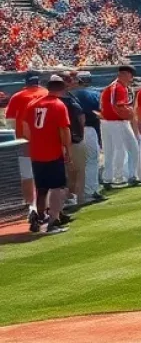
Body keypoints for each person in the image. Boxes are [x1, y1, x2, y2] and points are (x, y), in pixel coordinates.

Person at [25, 75, 73, 234]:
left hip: (36, 152)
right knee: (58, 187)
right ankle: (53, 220)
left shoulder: (33, 104)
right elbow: (64, 130)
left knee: (42, 188)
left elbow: (26, 129)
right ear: (62, 88)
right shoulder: (58, 105)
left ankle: (40, 217)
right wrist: (67, 149)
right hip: (53, 151)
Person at [4, 72, 47, 213]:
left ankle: (31, 205)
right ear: (38, 81)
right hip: (47, 138)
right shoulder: (46, 93)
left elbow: (9, 122)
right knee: (47, 171)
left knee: (27, 174)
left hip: (24, 140)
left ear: (26, 83)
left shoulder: (18, 96)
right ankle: (47, 205)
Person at [100, 64, 141, 188]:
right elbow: (117, 106)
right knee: (125, 149)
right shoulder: (118, 87)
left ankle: (110, 178)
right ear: (123, 74)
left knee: (112, 151)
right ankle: (120, 177)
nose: (131, 77)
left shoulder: (116, 86)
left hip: (109, 122)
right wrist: (128, 114)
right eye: (130, 75)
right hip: (116, 122)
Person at [73, 71, 105, 203]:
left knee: (77, 164)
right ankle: (90, 191)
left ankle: (77, 194)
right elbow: (100, 112)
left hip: (73, 132)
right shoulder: (94, 94)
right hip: (89, 129)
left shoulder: (71, 94)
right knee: (92, 161)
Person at [58, 70, 87, 207]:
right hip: (70, 140)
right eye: (69, 79)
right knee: (75, 172)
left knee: (74, 172)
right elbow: (80, 119)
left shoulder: (69, 96)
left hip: (70, 139)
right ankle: (72, 199)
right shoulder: (63, 100)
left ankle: (72, 198)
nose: (72, 82)